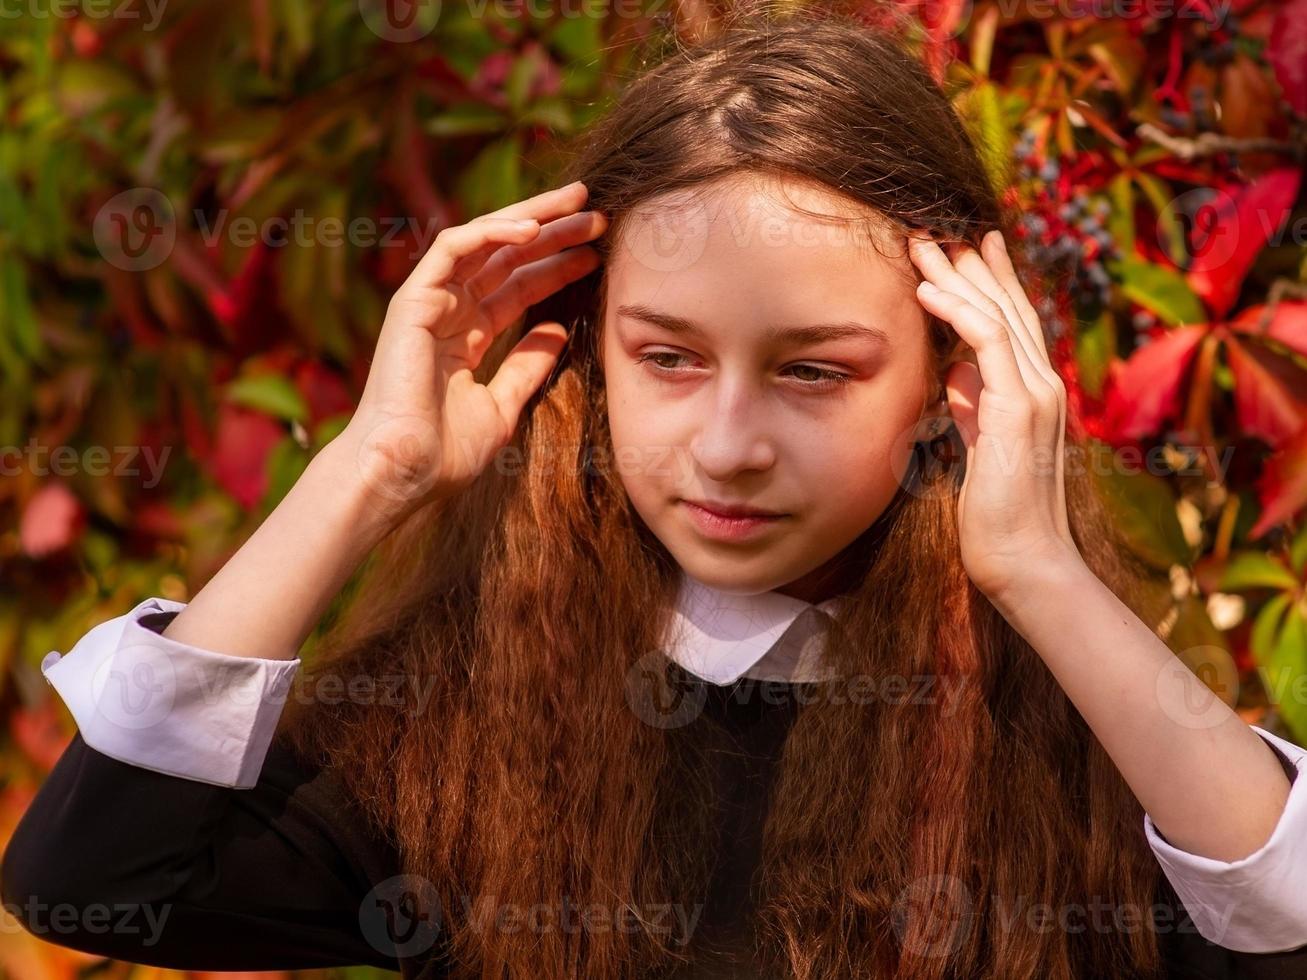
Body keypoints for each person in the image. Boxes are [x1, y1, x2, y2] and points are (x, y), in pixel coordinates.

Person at [5, 9, 1307, 980]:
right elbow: (90, 879)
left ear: (947, 377)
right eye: (668, 357)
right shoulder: (468, 703)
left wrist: (1040, 575)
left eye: (813, 372)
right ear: (593, 341)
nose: (726, 444)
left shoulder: (1067, 723)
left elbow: (1285, 928)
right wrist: (367, 471)